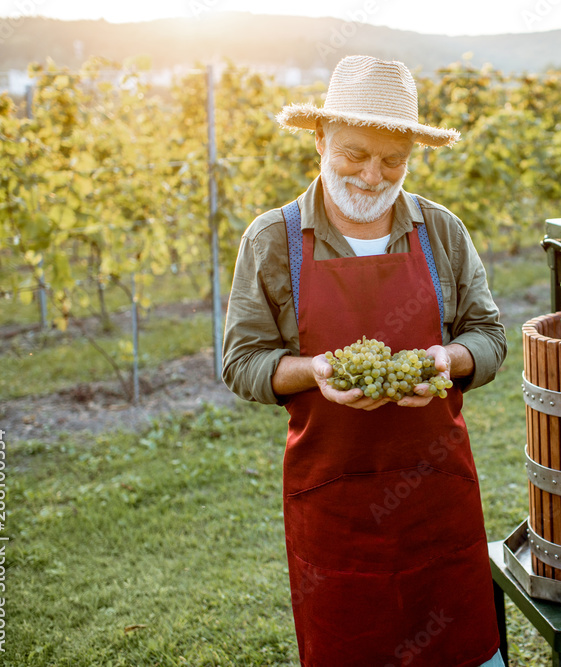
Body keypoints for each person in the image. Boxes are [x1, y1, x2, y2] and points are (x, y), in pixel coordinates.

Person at [221, 55, 507, 667]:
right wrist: (315, 372)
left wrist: (448, 359)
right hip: (334, 501)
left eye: (393, 160)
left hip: (438, 495)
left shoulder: (442, 232)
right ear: (320, 140)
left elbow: (489, 336)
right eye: (355, 154)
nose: (374, 176)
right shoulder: (273, 240)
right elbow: (242, 361)